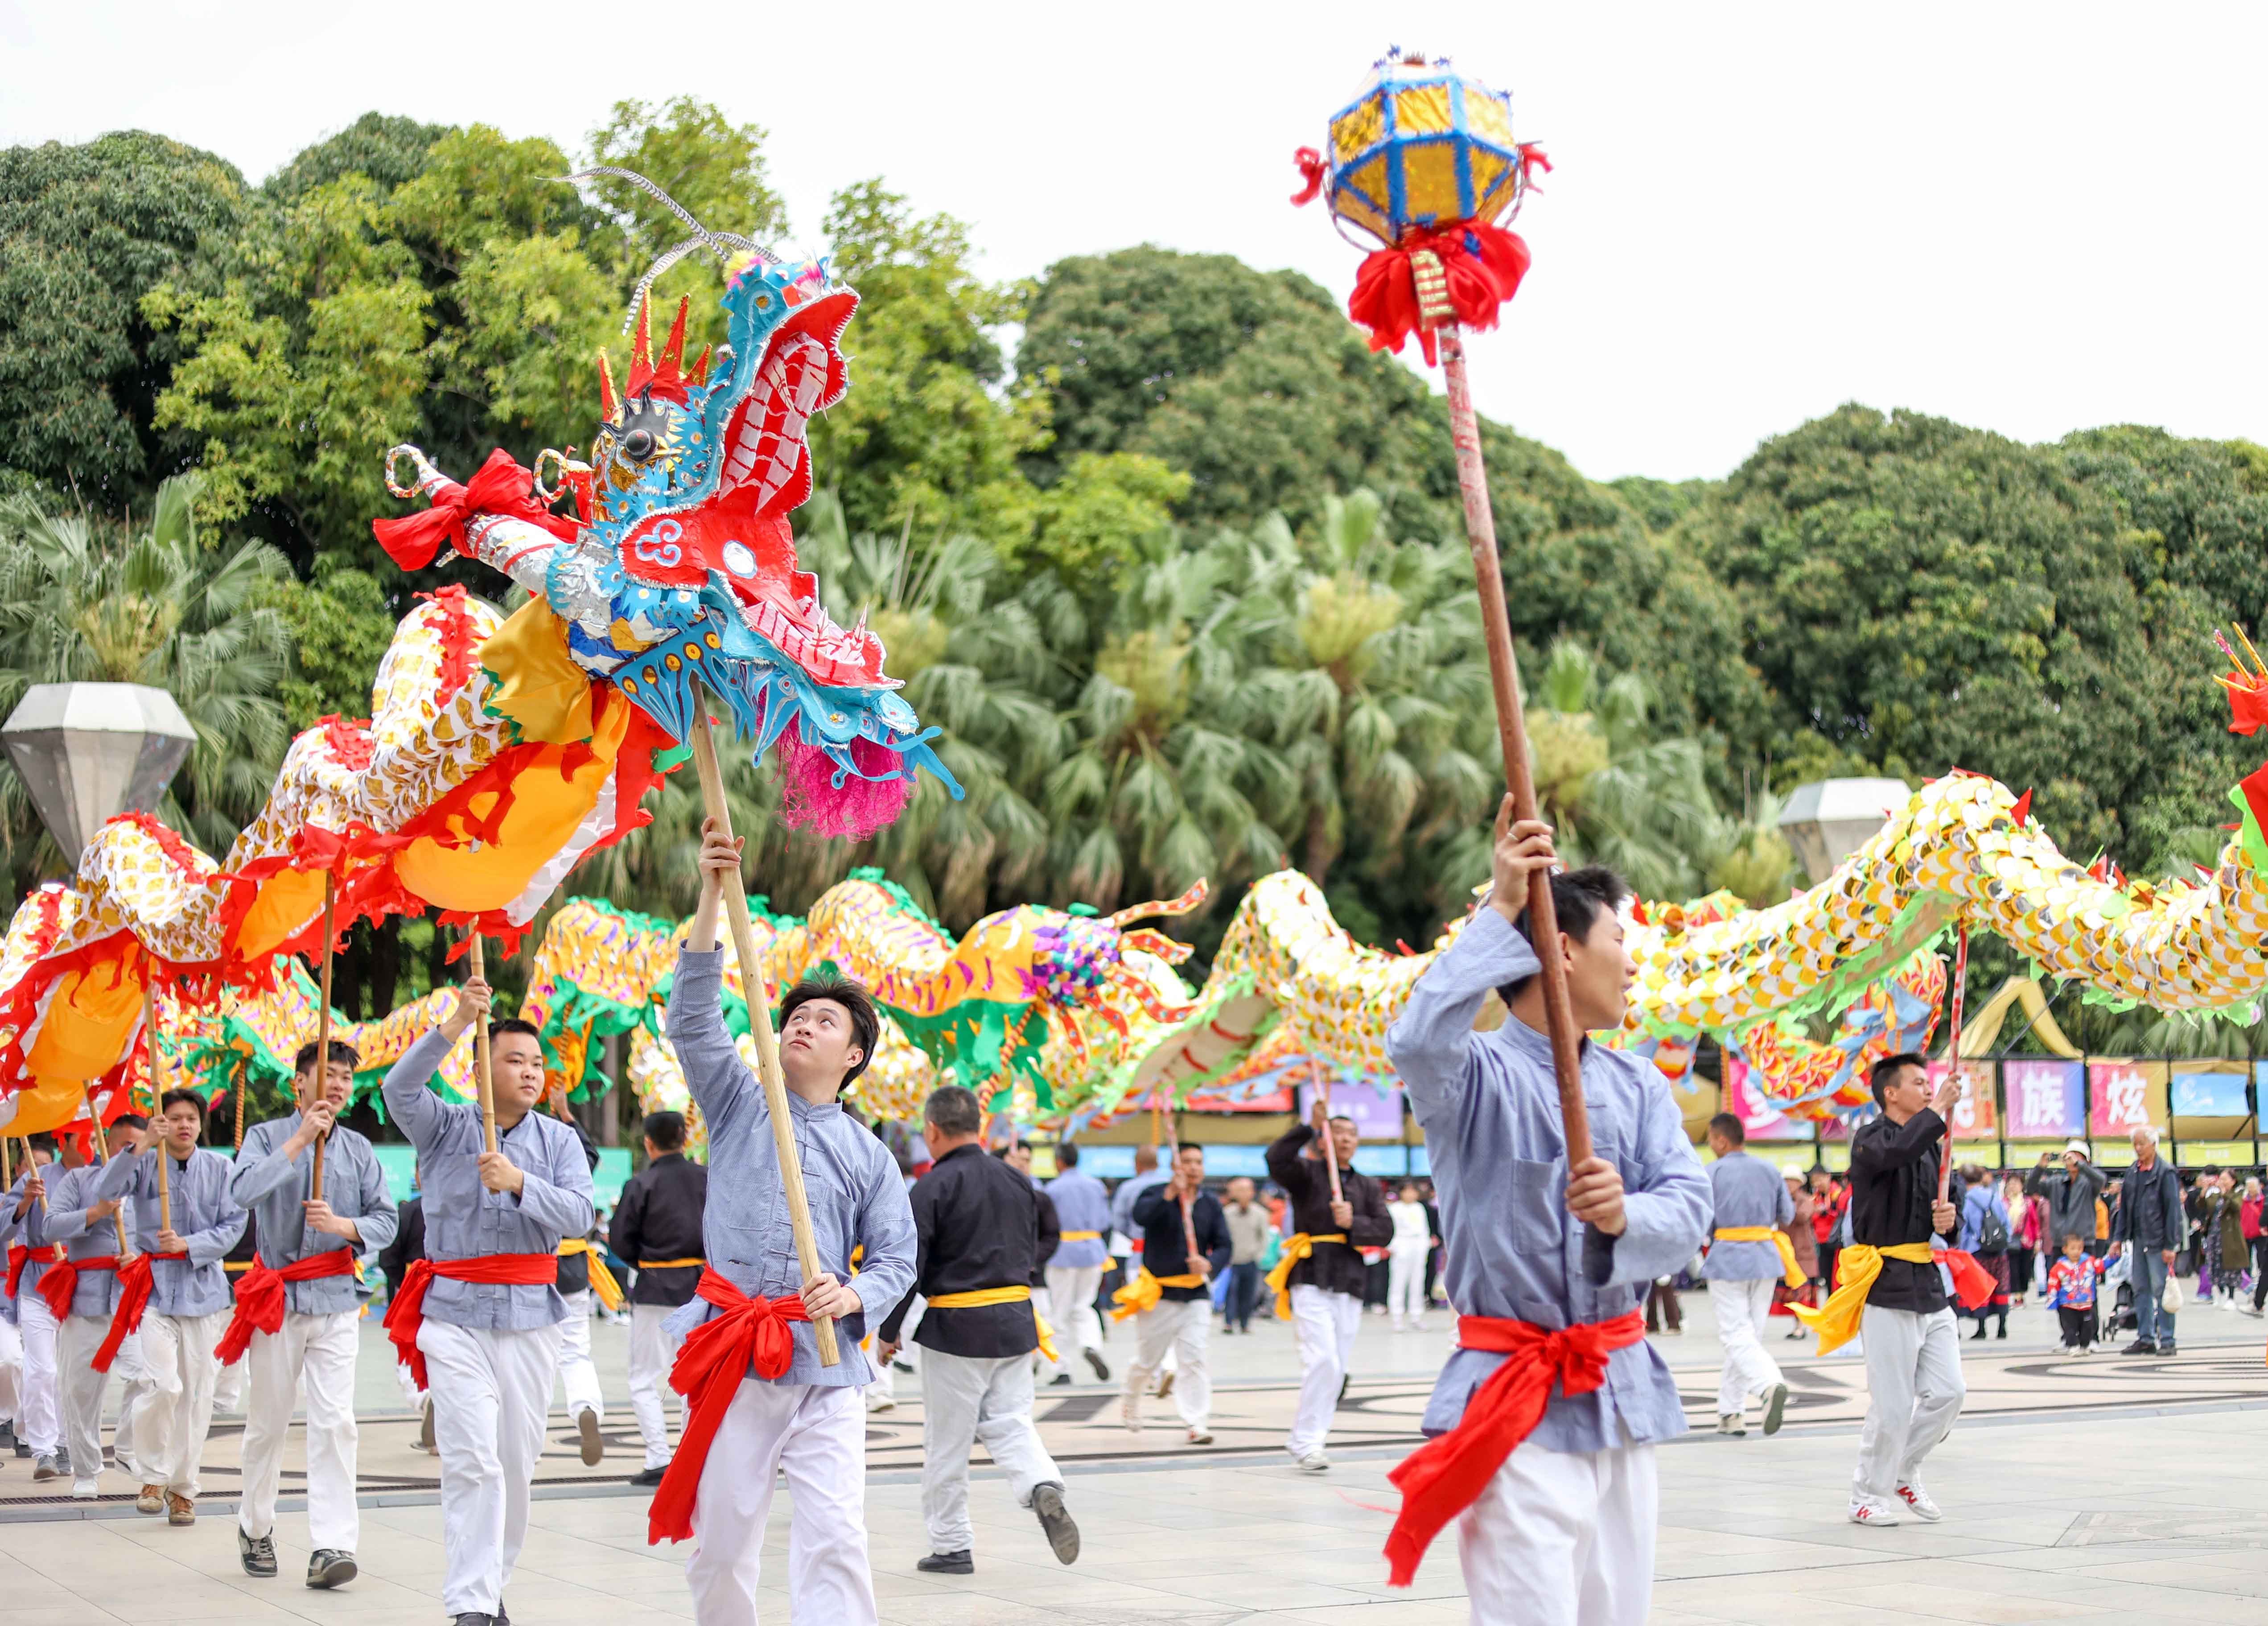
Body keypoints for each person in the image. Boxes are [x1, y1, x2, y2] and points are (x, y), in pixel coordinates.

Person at [1380, 806, 1712, 1621]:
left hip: (1619, 1390)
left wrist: (1622, 1215)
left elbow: (1688, 1203)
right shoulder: (1473, 1075)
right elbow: (1418, 1039)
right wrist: (1499, 903)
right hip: (1514, 1404)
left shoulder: (1640, 1087)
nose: (1633, 964)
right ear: (1561, 948)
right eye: (1620, 942)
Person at [646, 815, 916, 1626]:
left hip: (828, 1366)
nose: (803, 1023)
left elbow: (899, 1257)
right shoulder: (737, 1102)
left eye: (825, 1021)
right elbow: (692, 1021)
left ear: (855, 1055)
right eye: (796, 1015)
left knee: (836, 1535)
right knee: (725, 1542)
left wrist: (855, 1292)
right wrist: (708, 889)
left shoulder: (871, 1154)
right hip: (736, 1351)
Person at [380, 987, 596, 1626]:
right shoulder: (442, 1125)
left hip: (533, 1314)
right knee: (472, 1459)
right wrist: (455, 1024)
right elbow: (397, 1089)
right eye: (514, 1061)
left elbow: (582, 1214)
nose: (530, 1072)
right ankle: (471, 1605)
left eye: (536, 1063)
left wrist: (521, 1183)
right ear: (481, 1066)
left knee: (514, 1465)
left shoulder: (558, 1142)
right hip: (452, 1316)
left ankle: (489, 1583)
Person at [875, 1084, 1078, 1577]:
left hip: (957, 1328)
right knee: (1010, 1420)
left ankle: (951, 1545)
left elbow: (909, 1265)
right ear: (980, 1127)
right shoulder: (1016, 1180)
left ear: (932, 1131)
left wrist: (889, 1329)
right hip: (1015, 1320)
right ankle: (1040, 1483)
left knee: (947, 1441)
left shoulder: (929, 1188)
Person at [226, 1037, 397, 1584]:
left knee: (335, 1422)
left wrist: (344, 1228)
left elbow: (385, 1221)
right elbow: (241, 1193)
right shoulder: (264, 1136)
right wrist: (299, 1140)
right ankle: (255, 1526)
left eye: (347, 1077)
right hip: (277, 1300)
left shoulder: (360, 1151)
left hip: (337, 1300)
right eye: (327, 1074)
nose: (339, 1085)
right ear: (297, 1082)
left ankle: (332, 1545)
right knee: (269, 1423)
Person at [1791, 1053, 1965, 1527]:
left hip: (1927, 1281)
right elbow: (1897, 1153)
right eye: (1918, 1083)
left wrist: (1949, 1222)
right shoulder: (1869, 1140)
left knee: (1950, 1392)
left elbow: (1949, 1211)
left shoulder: (1935, 1147)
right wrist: (1938, 1113)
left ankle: (1903, 1469)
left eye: (1931, 1084)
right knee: (1891, 1405)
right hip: (1885, 1283)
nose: (1929, 1089)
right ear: (1890, 1093)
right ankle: (1867, 1494)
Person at [87, 1091, 247, 1527]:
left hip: (203, 1295)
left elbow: (235, 1224)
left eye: (190, 1118)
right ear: (163, 1123)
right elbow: (105, 1191)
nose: (183, 1125)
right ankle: (153, 1477)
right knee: (160, 1385)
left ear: (200, 1124)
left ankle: (182, 1490)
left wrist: (190, 1244)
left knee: (197, 1397)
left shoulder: (220, 1169)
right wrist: (140, 1146)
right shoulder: (143, 1164)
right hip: (153, 1293)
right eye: (174, 1118)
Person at [28, 1116, 154, 1501]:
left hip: (135, 1300)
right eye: (124, 1146)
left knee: (149, 1380)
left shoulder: (153, 1183)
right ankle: (85, 1470)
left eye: (139, 1144)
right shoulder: (78, 1180)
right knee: (80, 1391)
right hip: (87, 1300)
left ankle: (129, 1449)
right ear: (106, 1146)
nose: (132, 1153)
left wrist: (141, 1256)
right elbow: (50, 1228)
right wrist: (95, 1214)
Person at [1266, 1102, 1391, 1470]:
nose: (1345, 1140)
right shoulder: (1306, 1174)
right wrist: (1307, 1126)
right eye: (1337, 1133)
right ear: (1324, 1140)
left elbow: (1385, 1231)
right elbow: (1275, 1159)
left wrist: (1354, 1222)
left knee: (1335, 1367)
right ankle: (1306, 1442)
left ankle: (1310, 1440)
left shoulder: (1367, 1186)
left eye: (1351, 1135)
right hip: (1310, 1276)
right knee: (1322, 1359)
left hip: (1349, 1280)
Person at [609, 1109, 706, 1487]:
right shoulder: (706, 1179)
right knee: (696, 1376)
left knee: (646, 1377)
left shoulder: (641, 1184)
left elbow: (620, 1240)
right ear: (684, 1138)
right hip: (701, 1290)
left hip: (655, 1288)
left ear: (648, 1143)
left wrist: (649, 1264)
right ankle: (693, 1455)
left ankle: (658, 1457)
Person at [1115, 1143, 1231, 1444]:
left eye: (1198, 1162)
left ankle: (1196, 1422)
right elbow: (1140, 1218)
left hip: (1195, 1294)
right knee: (1148, 1361)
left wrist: (1209, 1264)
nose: (1193, 1167)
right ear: (1175, 1167)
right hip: (1159, 1293)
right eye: (1187, 1162)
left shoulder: (1210, 1204)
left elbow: (1224, 1246)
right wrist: (1169, 1194)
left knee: (1193, 1358)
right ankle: (1130, 1399)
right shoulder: (1155, 1194)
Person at [1700, 1112, 1795, 1437]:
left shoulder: (1711, 1172)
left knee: (1735, 1335)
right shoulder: (1769, 1170)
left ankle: (1768, 1384)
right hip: (1765, 1258)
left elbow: (1701, 1221)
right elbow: (1787, 1214)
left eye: (1710, 1139)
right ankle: (1731, 1411)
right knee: (1747, 1337)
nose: (1710, 1145)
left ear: (1721, 1140)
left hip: (1728, 1257)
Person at [549, 1117, 609, 1467]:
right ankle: (586, 1406)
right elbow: (589, 1153)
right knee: (575, 1352)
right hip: (573, 1267)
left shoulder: (525, 1164)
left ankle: (525, 1438)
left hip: (536, 1267)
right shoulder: (575, 1170)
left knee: (534, 1356)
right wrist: (569, 1116)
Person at [11, 1138, 68, 1481]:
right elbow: (4, 1227)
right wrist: (23, 1203)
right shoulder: (24, 1185)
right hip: (35, 1287)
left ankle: (65, 1443)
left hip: (76, 1287)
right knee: (41, 1369)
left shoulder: (79, 1180)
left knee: (68, 1372)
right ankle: (44, 1449)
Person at [1039, 1142, 1112, 1380]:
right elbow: (1104, 1221)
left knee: (1060, 1311)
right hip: (1092, 1251)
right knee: (1085, 1305)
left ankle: (1063, 1369)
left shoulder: (1054, 1189)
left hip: (1063, 1252)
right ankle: (1091, 1345)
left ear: (1059, 1161)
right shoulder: (1096, 1186)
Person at [2109, 1125, 2182, 1357]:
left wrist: (2171, 1245)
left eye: (2142, 1144)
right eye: (2136, 1145)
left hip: (2159, 1241)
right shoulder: (2133, 1172)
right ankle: (2145, 1338)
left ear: (2153, 1145)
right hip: (2138, 1239)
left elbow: (2173, 1212)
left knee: (2162, 1289)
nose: (2138, 1149)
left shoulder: (2166, 1172)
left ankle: (2168, 1339)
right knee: (2140, 1289)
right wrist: (2118, 1239)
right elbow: (2125, 1209)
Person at [1956, 1164, 2011, 1341]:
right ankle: (2002, 1327)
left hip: (1978, 1250)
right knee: (2001, 1285)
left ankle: (1982, 1328)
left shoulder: (1967, 1200)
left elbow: (1965, 1228)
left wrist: (1962, 1250)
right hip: (1999, 1249)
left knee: (1982, 1287)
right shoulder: (1994, 1196)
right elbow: (2005, 1222)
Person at [2025, 1142, 2106, 1255]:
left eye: (2077, 1157)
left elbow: (2101, 1180)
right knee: (2057, 1272)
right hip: (2060, 1244)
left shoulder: (2089, 1184)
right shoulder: (2056, 1183)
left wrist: (2079, 1164)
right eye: (2069, 1156)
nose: (2072, 1160)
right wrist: (2040, 1167)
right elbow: (2031, 1189)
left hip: (2084, 1244)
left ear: (2086, 1161)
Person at [1218, 1176, 1271, 1334]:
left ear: (1252, 1192)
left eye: (1246, 1190)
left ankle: (1245, 1324)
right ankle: (1228, 1323)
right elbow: (1223, 1237)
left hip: (1251, 1260)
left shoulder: (1260, 1213)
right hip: (1232, 1261)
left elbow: (1264, 1237)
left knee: (1248, 1293)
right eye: (1239, 1190)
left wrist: (1259, 1255)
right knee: (1231, 1292)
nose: (1242, 1193)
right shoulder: (1227, 1213)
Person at [2045, 1233, 2106, 1353]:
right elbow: (2053, 1283)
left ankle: (2084, 1345)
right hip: (2067, 1304)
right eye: (2073, 1248)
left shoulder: (2089, 1262)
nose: (2076, 1252)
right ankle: (2072, 1345)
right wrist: (2052, 1299)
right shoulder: (2060, 1267)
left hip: (2086, 1303)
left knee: (2087, 1327)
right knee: (2069, 1327)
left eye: (2079, 1248)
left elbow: (2101, 1266)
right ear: (2065, 1250)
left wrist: (2113, 1258)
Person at [1387, 1182, 1432, 1329]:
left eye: (1413, 1192)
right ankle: (1397, 1317)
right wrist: (1395, 1247)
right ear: (1401, 1193)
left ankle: (1416, 1316)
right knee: (1398, 1282)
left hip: (1418, 1245)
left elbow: (1425, 1229)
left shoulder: (1419, 1208)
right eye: (1407, 1191)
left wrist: (1425, 1246)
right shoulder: (1394, 1209)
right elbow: (1389, 1230)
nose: (1410, 1195)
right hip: (1402, 1245)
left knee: (1418, 1282)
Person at [1779, 1170, 1819, 1339]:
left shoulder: (1806, 1200)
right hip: (1787, 1252)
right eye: (1786, 1181)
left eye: (1792, 1181)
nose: (1789, 1184)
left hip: (1804, 1254)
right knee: (1792, 1293)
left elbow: (1802, 1217)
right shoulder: (1783, 1201)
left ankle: (1802, 1327)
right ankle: (1797, 1325)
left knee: (1803, 1292)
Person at [2208, 1170, 2248, 1310]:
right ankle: (2222, 1292)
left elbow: (2237, 1206)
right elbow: (2208, 1206)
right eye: (2221, 1179)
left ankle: (2231, 1297)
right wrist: (2207, 1192)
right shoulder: (2216, 1194)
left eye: (2225, 1179)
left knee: (2231, 1268)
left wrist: (2225, 1194)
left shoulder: (2238, 1193)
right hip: (2215, 1235)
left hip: (2231, 1237)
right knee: (2215, 1266)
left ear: (2233, 1181)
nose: (2223, 1182)